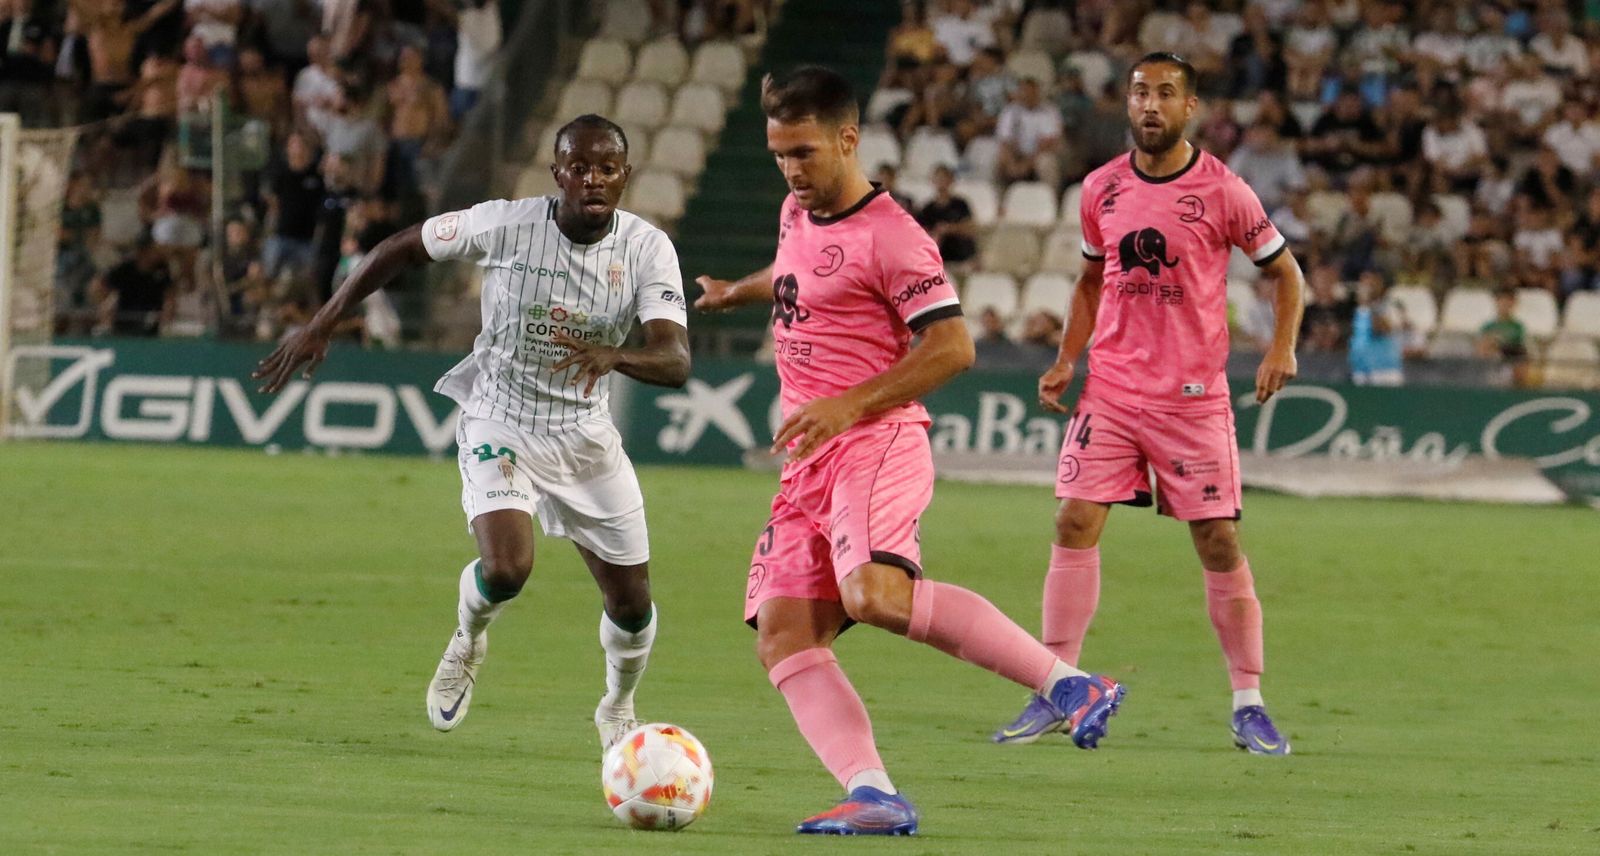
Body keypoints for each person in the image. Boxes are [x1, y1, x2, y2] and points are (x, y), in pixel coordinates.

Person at [693, 66, 1125, 837]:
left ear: (848, 139)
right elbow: (798, 274)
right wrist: (740, 291)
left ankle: (1069, 684)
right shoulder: (798, 210)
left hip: (874, 440)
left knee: (874, 595)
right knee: (784, 632)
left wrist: (849, 403)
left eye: (804, 152)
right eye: (780, 154)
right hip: (809, 462)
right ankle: (874, 795)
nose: (791, 170)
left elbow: (953, 346)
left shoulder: (894, 236)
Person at [252, 114, 692, 751]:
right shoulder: (506, 224)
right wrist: (323, 322)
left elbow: (675, 360)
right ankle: (467, 640)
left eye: (606, 169)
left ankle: (617, 707)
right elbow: (401, 246)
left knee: (632, 605)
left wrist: (616, 355)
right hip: (500, 417)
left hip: (585, 436)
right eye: (579, 168)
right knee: (507, 568)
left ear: (625, 176)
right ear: (558, 174)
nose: (593, 180)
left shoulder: (648, 249)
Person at [993, 52, 1305, 756]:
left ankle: (1249, 703)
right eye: (1140, 93)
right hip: (1110, 389)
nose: (1151, 105)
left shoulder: (1224, 190)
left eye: (1166, 93)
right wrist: (1067, 358)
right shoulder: (1100, 188)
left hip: (1192, 399)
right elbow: (1089, 282)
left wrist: (1281, 348)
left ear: (1190, 107)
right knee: (1073, 519)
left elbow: (1287, 275)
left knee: (1217, 540)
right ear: (1127, 103)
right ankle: (1057, 687)